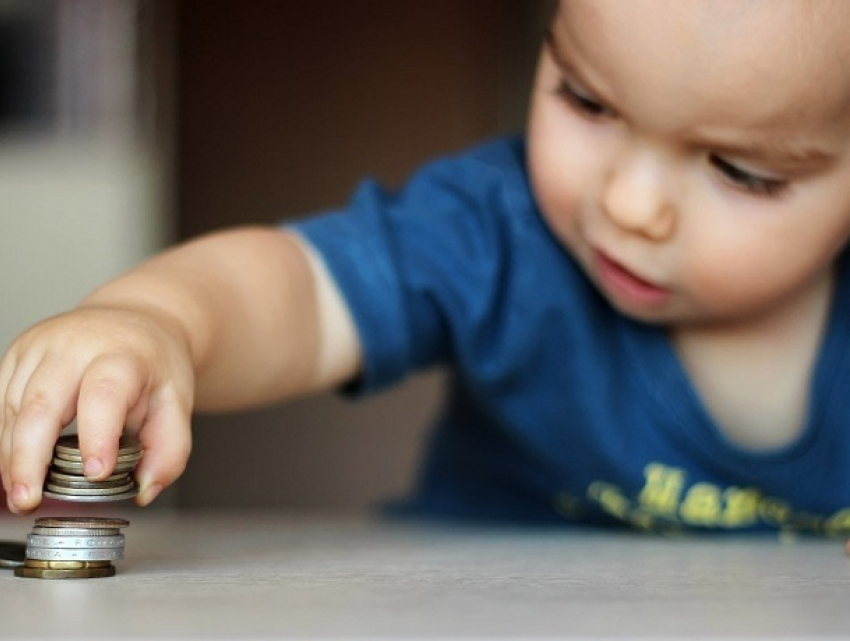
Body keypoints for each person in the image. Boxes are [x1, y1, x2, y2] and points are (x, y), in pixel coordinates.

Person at [2, 0, 850, 533]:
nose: (630, 205)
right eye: (587, 99)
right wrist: (159, 321)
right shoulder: (495, 231)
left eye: (742, 171)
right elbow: (304, 292)